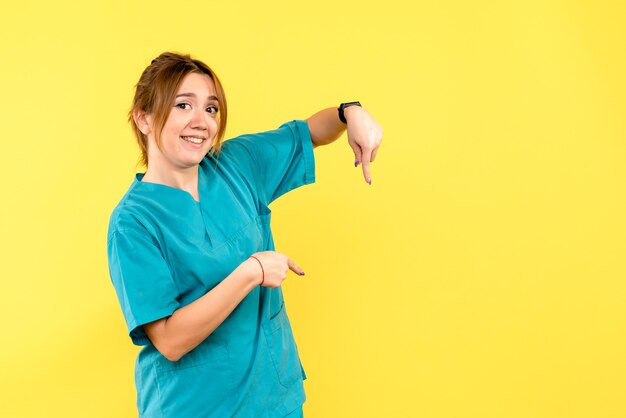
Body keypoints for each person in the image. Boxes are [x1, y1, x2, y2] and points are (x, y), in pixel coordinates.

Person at [106, 51, 383, 418]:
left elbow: (310, 132)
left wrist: (351, 112)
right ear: (143, 118)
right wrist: (251, 272)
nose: (201, 122)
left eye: (211, 109)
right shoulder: (133, 222)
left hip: (273, 401)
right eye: (183, 105)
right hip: (194, 407)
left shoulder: (236, 165)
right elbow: (170, 341)